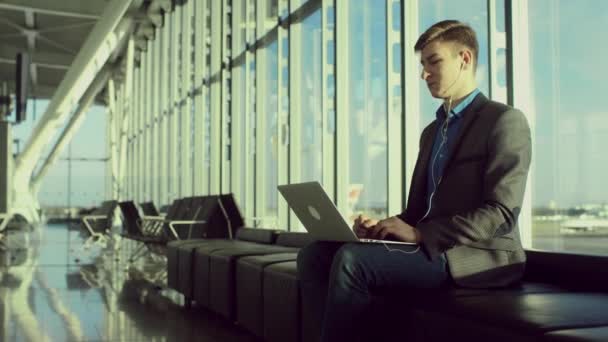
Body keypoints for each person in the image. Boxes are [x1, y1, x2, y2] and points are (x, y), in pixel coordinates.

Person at [297, 20, 532, 342]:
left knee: (353, 261)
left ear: (464, 59)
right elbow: (419, 210)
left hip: (476, 255)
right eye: (422, 65)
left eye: (433, 62)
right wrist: (384, 227)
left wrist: (421, 233)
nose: (424, 74)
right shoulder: (432, 132)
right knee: (314, 254)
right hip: (432, 248)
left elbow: (502, 212)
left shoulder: (504, 120)